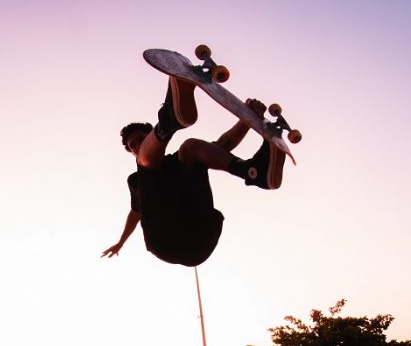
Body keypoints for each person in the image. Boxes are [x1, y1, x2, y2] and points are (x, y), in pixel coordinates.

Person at [102, 77, 288, 267]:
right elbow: (135, 213)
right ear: (131, 152)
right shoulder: (136, 180)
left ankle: (254, 172)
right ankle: (168, 122)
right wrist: (121, 242)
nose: (137, 145)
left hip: (201, 234)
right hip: (167, 242)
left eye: (141, 139)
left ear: (148, 134)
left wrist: (247, 119)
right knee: (146, 168)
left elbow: (223, 146)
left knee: (191, 148)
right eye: (133, 146)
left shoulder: (180, 161)